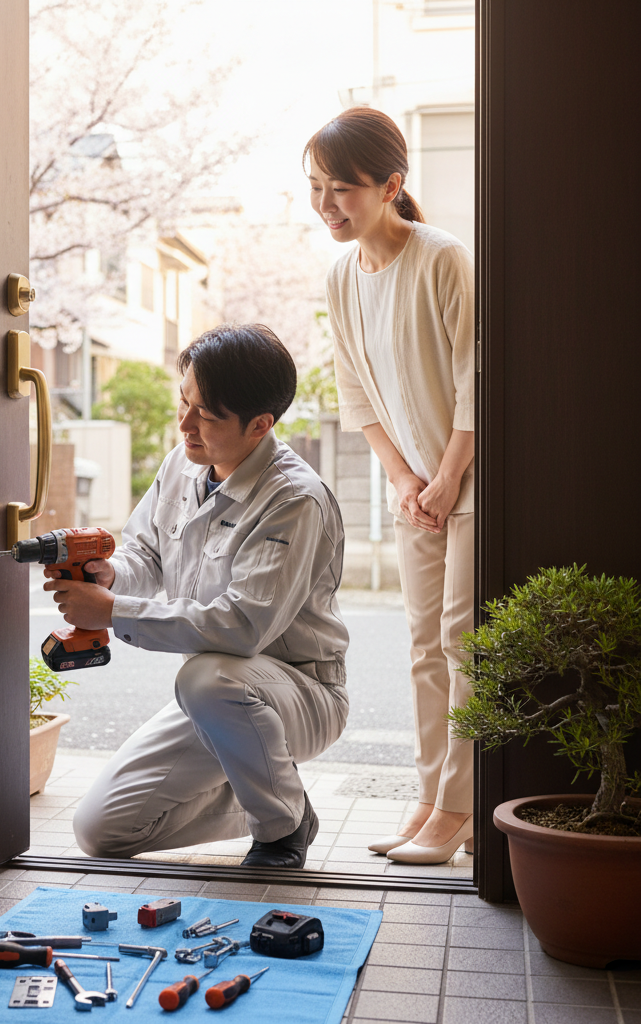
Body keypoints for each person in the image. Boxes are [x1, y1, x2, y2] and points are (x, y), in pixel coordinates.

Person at [43, 324, 349, 869]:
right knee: (100, 830)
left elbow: (241, 626)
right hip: (219, 700)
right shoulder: (184, 463)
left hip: (298, 691)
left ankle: (282, 826)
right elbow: (147, 555)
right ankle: (273, 789)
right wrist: (110, 574)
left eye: (205, 414)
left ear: (260, 425)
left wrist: (111, 612)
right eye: (183, 401)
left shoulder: (295, 500)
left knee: (206, 676)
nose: (185, 424)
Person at [306, 107, 475, 865]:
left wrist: (446, 477)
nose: (326, 204)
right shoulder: (342, 276)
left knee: (462, 642)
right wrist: (406, 479)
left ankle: (460, 808)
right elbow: (356, 394)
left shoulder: (443, 258)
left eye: (340, 188)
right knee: (421, 645)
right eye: (315, 187)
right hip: (417, 490)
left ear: (391, 185)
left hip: (470, 483)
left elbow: (478, 377)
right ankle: (432, 796)